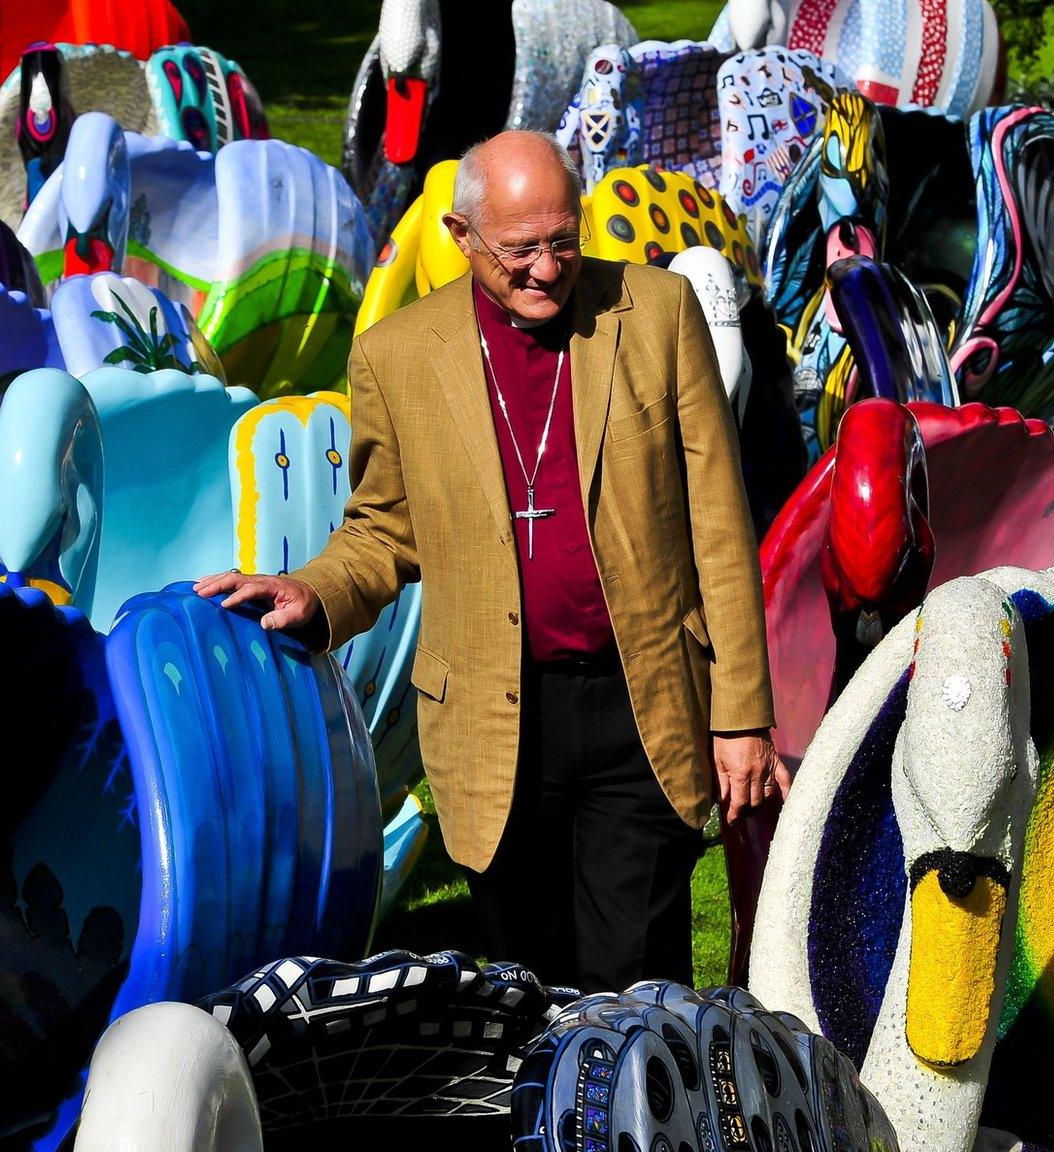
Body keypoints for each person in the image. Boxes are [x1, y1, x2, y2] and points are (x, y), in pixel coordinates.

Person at [195, 130, 787, 991]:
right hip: (492, 722)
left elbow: (720, 531)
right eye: (521, 249)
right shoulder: (398, 356)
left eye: (563, 241)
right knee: (529, 996)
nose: (548, 269)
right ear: (464, 235)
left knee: (636, 995)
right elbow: (381, 530)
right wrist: (312, 590)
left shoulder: (658, 314)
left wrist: (741, 714)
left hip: (642, 704)